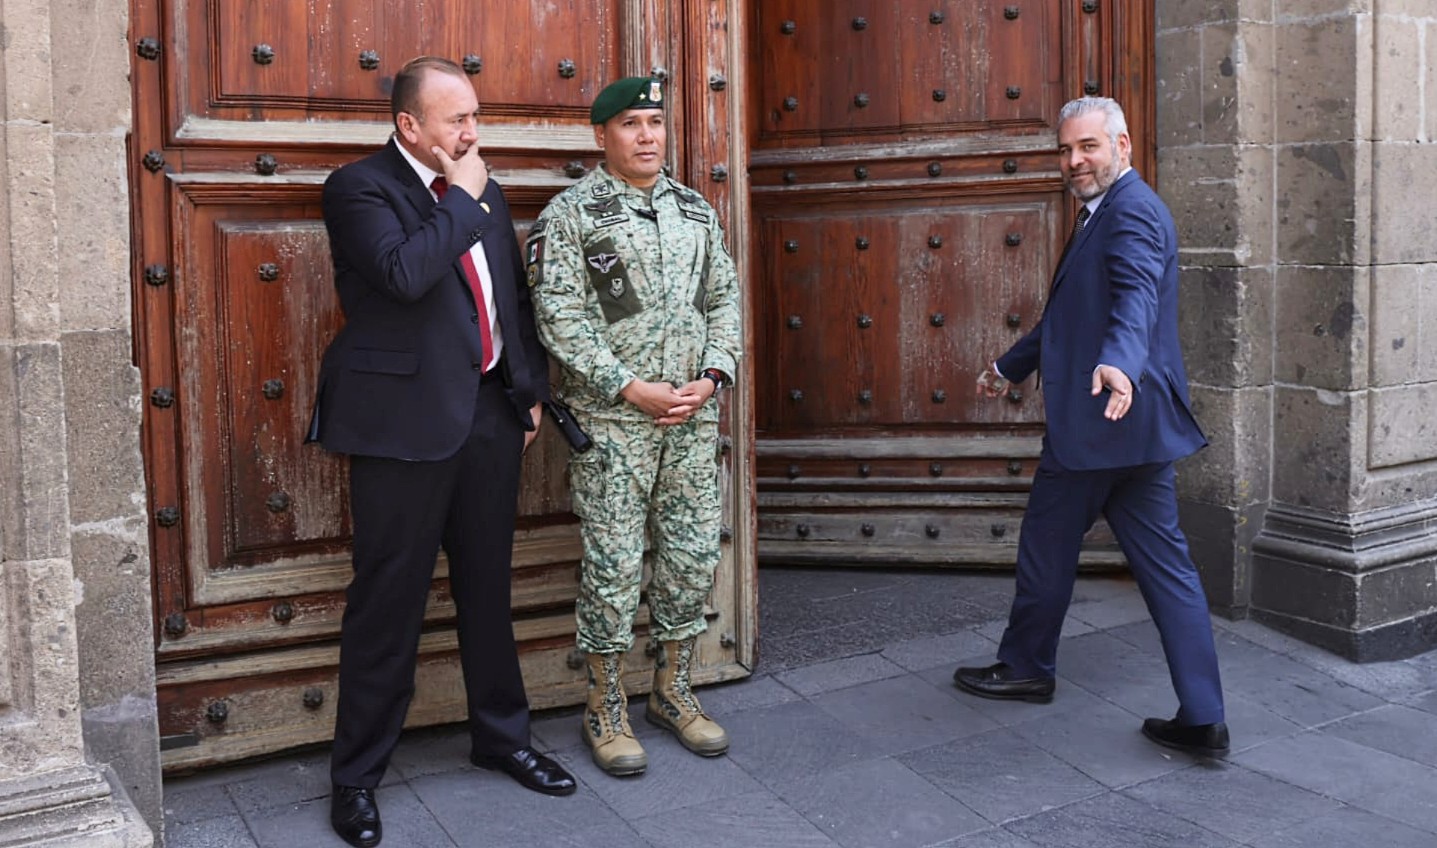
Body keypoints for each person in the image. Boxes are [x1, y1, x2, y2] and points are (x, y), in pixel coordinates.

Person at [310, 55, 575, 848]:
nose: (471, 132)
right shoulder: (358, 188)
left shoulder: (480, 188)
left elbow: (507, 296)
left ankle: (502, 738)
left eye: (474, 117)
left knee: (487, 589)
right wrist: (460, 196)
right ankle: (356, 778)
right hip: (402, 428)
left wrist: (526, 390)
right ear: (408, 124)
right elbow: (404, 274)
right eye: (456, 119)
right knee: (388, 601)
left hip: (488, 418)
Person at [954, 96, 1229, 758]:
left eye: (1088, 146)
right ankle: (1203, 716)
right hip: (1138, 431)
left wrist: (1118, 364)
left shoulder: (1131, 213)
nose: (1074, 160)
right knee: (1167, 568)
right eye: (1065, 149)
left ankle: (1025, 667)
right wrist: (1009, 366)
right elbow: (1069, 317)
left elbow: (1135, 299)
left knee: (1046, 545)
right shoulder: (1106, 209)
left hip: (1099, 423)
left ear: (1122, 146)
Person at [527, 76, 742, 777]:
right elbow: (559, 317)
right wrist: (629, 387)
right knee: (615, 567)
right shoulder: (571, 216)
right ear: (601, 136)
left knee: (690, 557)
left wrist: (713, 374)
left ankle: (672, 691)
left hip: (688, 418)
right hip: (614, 424)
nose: (647, 136)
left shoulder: (693, 209)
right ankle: (605, 705)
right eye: (630, 124)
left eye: (654, 122)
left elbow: (723, 297)